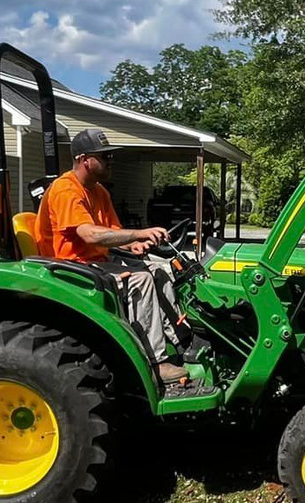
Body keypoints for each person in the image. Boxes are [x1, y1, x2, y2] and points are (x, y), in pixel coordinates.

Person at [35, 128, 189, 382]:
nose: (110, 161)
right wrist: (138, 233)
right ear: (85, 160)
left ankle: (182, 338)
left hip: (97, 261)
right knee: (140, 279)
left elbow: (112, 232)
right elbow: (91, 235)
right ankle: (156, 362)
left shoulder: (99, 191)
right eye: (104, 157)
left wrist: (133, 245)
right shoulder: (65, 190)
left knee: (160, 269)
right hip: (68, 267)